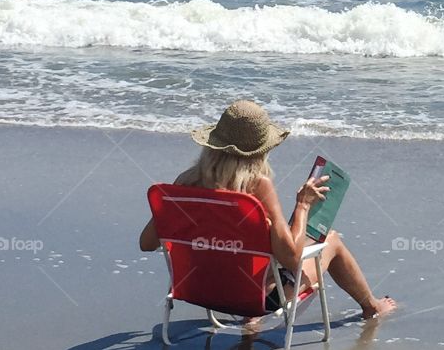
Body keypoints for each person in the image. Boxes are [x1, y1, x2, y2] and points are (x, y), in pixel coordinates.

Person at [139, 98, 396, 320]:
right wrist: (303, 204)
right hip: (254, 299)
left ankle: (250, 321)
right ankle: (371, 307)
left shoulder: (184, 184)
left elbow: (146, 243)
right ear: (260, 152)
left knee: (247, 247)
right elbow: (292, 260)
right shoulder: (257, 187)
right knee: (331, 240)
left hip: (197, 290)